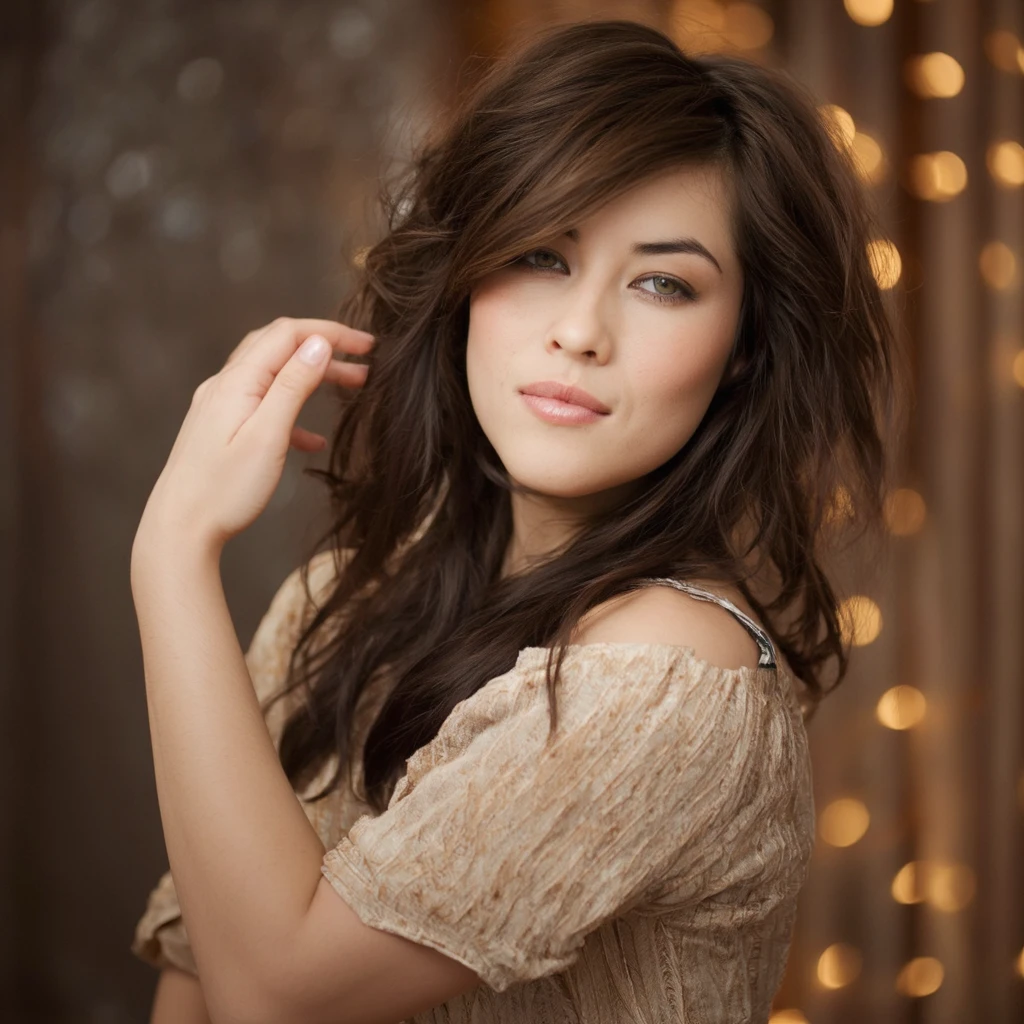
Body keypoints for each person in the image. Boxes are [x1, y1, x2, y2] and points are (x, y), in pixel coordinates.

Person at [129, 18, 902, 1024]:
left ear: (744, 350)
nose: (580, 331)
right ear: (463, 277)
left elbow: (274, 989)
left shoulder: (671, 682)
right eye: (541, 254)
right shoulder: (348, 596)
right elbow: (199, 967)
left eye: (664, 283)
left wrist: (171, 553)